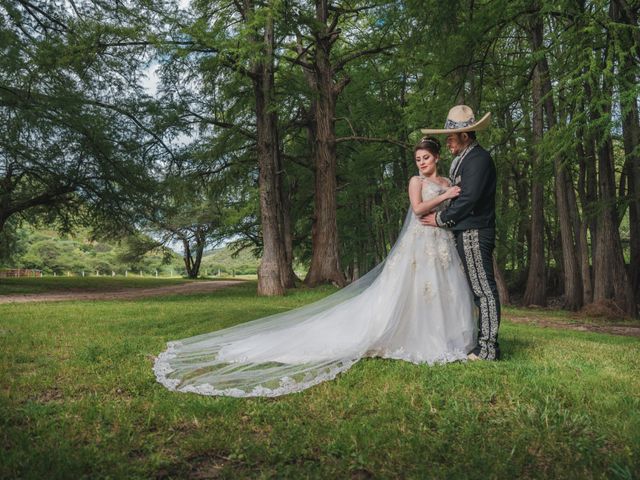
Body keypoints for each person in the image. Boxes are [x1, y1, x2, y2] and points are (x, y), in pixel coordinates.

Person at [154, 137, 476, 398]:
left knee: (438, 291)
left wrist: (449, 196)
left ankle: (441, 340)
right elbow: (418, 209)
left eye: (426, 158)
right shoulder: (416, 181)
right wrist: (445, 195)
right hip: (419, 242)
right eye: (418, 158)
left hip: (441, 241)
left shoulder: (448, 179)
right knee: (408, 290)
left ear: (436, 157)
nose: (422, 162)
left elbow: (452, 208)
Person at [420, 105, 501, 361]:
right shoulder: (465, 159)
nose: (448, 142)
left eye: (451, 138)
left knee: (483, 290)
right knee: (476, 289)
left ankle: (488, 349)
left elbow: (469, 198)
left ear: (465, 136)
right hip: (465, 231)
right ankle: (481, 342)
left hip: (475, 231)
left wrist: (442, 218)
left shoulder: (478, 159)